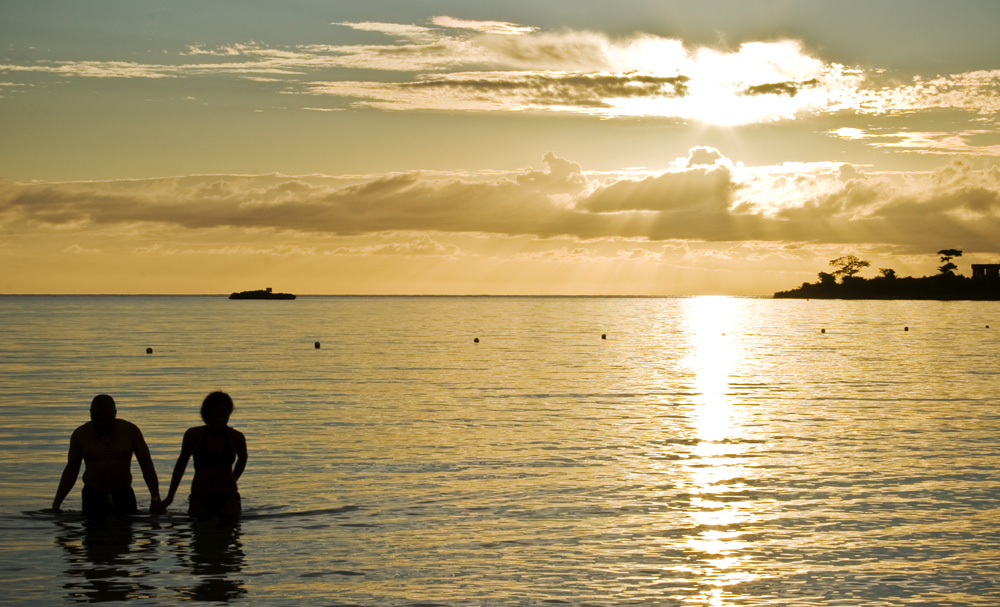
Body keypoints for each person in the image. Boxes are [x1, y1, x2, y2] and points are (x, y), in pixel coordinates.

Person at [52, 394, 162, 516]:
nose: (101, 424)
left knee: (125, 532)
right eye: (97, 419)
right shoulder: (81, 435)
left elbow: (147, 466)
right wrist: (57, 503)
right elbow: (71, 470)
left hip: (123, 494)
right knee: (93, 532)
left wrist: (155, 499)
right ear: (90, 414)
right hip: (92, 496)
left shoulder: (130, 432)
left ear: (115, 413)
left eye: (107, 420)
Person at [162, 391, 247, 520]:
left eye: (225, 416)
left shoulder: (236, 437)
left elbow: (243, 458)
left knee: (228, 535)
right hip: (200, 496)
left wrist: (233, 479)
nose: (221, 419)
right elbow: (181, 464)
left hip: (228, 496)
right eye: (217, 415)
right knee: (199, 534)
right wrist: (170, 497)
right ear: (207, 415)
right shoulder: (193, 435)